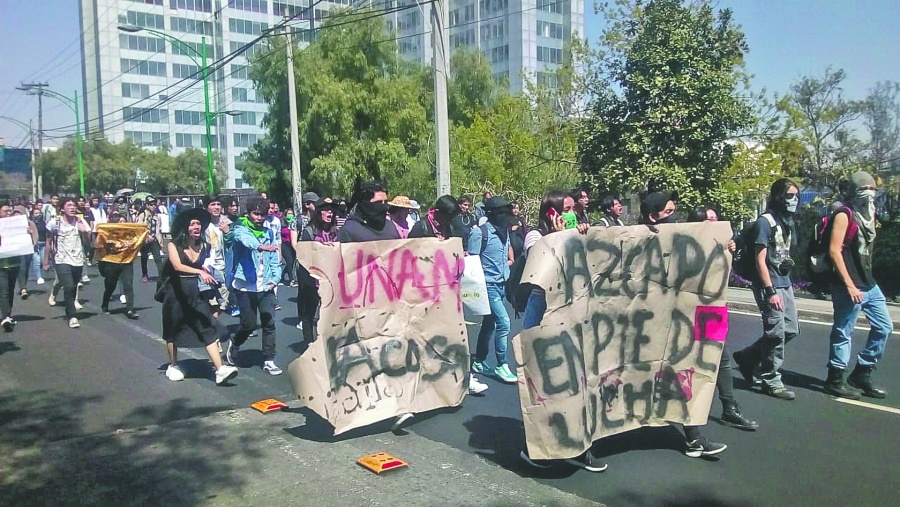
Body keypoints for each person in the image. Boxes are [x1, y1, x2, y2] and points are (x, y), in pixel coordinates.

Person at [517, 190, 603, 472]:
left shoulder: (576, 232)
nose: (573, 213)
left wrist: (581, 236)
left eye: (574, 209)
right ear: (552, 213)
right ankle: (537, 449)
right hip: (542, 316)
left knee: (577, 380)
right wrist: (559, 237)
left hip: (572, 317)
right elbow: (542, 272)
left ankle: (578, 446)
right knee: (544, 385)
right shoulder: (535, 237)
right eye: (566, 208)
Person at [639, 191, 728, 457]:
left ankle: (694, 436)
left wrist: (723, 249)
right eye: (669, 212)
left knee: (686, 370)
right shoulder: (638, 241)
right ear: (653, 217)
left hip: (679, 323)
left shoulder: (684, 242)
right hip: (647, 327)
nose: (675, 217)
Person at [409, 195, 489, 396]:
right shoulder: (421, 227)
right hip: (424, 291)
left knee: (455, 334)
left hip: (446, 290)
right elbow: (408, 255)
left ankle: (463, 377)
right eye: (449, 217)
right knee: (426, 337)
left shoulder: (449, 228)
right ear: (440, 213)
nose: (450, 221)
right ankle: (422, 381)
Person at [688, 206, 759, 430]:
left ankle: (729, 408)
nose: (716, 222)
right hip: (686, 313)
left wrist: (728, 254)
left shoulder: (722, 245)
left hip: (710, 311)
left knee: (721, 358)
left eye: (716, 218)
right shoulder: (687, 245)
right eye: (710, 219)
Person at [824, 171, 891, 399]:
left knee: (884, 327)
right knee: (844, 331)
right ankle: (835, 379)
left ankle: (862, 372)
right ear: (854, 191)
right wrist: (850, 285)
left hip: (869, 283)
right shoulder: (844, 214)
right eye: (865, 189)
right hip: (848, 284)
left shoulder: (870, 214)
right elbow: (834, 250)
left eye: (873, 189)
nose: (870, 193)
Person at [733, 179, 801, 401]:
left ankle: (748, 357)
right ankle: (771, 380)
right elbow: (760, 259)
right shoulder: (766, 222)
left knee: (790, 330)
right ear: (779, 197)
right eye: (790, 196)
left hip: (784, 282)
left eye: (797, 196)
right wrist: (770, 291)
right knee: (776, 334)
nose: (794, 200)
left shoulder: (786, 222)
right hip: (769, 285)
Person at [160, 207, 238, 385]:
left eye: (198, 224)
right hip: (176, 292)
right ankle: (173, 365)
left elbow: (206, 266)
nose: (196, 227)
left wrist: (208, 274)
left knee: (206, 325)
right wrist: (199, 272)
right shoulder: (173, 245)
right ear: (185, 228)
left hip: (195, 291)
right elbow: (178, 266)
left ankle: (220, 370)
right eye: (192, 224)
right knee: (173, 329)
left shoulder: (205, 245)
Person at [226, 197, 284, 376]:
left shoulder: (269, 232)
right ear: (249, 213)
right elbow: (245, 240)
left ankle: (268, 359)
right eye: (256, 214)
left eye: (262, 215)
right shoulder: (239, 227)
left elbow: (274, 259)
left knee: (269, 322)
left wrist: (276, 278)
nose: (259, 218)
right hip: (245, 286)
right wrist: (260, 246)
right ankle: (235, 343)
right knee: (248, 325)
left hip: (265, 285)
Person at [468, 196, 517, 384]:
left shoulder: (504, 231)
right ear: (492, 214)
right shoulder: (479, 233)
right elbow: (472, 262)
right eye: (503, 213)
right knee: (504, 322)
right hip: (487, 286)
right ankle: (502, 364)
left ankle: (479, 361)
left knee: (489, 323)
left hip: (502, 284)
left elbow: (505, 253)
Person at [295, 197, 338, 341]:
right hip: (312, 280)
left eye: (331, 210)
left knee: (329, 314)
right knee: (310, 314)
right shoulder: (309, 232)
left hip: (330, 279)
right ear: (319, 212)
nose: (329, 213)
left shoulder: (335, 231)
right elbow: (303, 257)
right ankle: (309, 343)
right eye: (326, 210)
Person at [44, 197, 91, 328]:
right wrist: (45, 261)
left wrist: (85, 232)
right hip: (61, 259)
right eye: (69, 205)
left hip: (77, 260)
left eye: (74, 205)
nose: (72, 208)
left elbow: (88, 244)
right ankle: (72, 316)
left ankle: (69, 309)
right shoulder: (54, 223)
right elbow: (48, 242)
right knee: (69, 286)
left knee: (74, 285)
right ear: (62, 208)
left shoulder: (81, 222)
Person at [95, 212, 139, 319]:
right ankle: (105, 304)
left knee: (128, 285)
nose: (123, 224)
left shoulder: (130, 233)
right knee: (111, 285)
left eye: (125, 221)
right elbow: (97, 244)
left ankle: (130, 309)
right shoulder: (108, 233)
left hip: (126, 261)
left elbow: (139, 238)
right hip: (112, 262)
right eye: (120, 222)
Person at [0, 203, 22, 331]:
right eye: (5, 211)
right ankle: (5, 317)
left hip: (14, 263)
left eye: (10, 211)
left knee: (10, 290)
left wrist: (27, 233)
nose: (8, 213)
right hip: (1, 265)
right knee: (4, 291)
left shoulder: (16, 226)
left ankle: (8, 314)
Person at [136, 195, 164, 282]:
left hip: (154, 240)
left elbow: (158, 229)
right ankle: (145, 274)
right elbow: (139, 227)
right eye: (151, 204)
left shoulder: (156, 216)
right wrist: (147, 236)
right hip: (145, 240)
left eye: (155, 204)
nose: (153, 206)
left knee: (158, 258)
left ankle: (162, 275)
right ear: (147, 205)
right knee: (144, 258)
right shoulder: (143, 214)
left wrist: (160, 240)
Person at [15, 207, 38, 300]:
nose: (17, 215)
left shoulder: (29, 223)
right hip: (16, 249)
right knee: (21, 267)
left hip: (27, 249)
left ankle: (23, 285)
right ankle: (23, 288)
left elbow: (35, 235)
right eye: (15, 213)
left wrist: (34, 243)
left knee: (26, 268)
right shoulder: (10, 225)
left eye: (19, 213)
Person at [30, 205, 47, 285]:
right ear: (32, 215)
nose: (38, 215)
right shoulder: (30, 223)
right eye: (36, 213)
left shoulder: (44, 222)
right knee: (36, 261)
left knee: (43, 260)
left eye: (39, 213)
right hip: (35, 244)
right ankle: (39, 277)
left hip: (43, 243)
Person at [281, 207, 297, 287]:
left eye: (291, 214)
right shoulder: (282, 223)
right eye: (288, 214)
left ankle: (283, 273)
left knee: (292, 262)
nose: (290, 215)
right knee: (289, 261)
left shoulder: (295, 223)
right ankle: (292, 279)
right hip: (284, 244)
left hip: (292, 244)